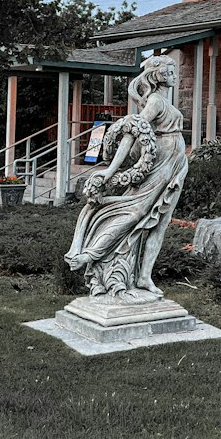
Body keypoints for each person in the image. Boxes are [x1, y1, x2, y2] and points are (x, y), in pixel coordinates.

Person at [65, 54, 188, 299]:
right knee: (137, 211)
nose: (175, 76)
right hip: (161, 163)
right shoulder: (155, 101)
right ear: (159, 75)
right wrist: (111, 170)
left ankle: (144, 276)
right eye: (170, 71)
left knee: (160, 223)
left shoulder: (164, 102)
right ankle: (91, 253)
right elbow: (133, 132)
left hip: (176, 163)